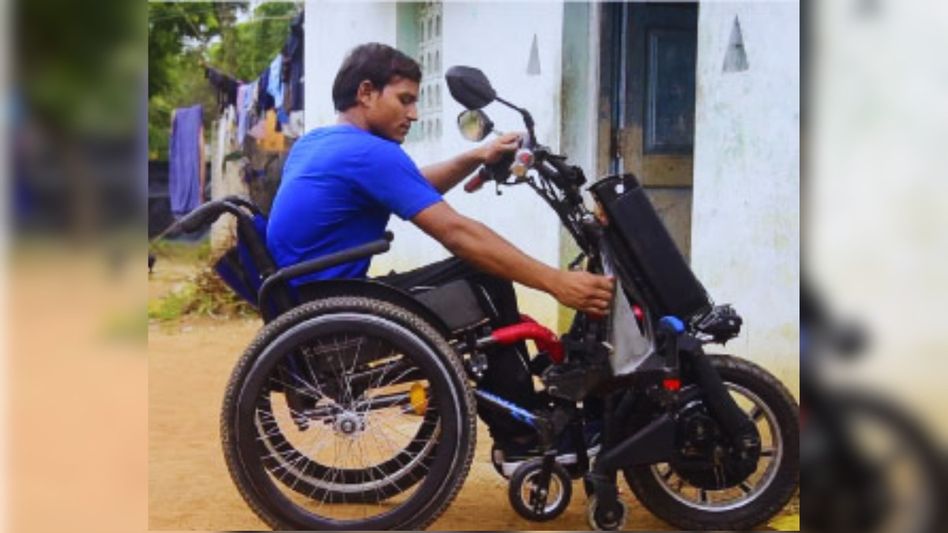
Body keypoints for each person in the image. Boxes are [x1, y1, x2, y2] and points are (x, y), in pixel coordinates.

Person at [267, 42, 613, 450]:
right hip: (338, 308)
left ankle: (527, 419)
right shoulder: (370, 154)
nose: (413, 114)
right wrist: (556, 282)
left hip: (312, 300)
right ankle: (525, 437)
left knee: (481, 278)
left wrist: (477, 156)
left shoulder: (321, 142)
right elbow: (456, 233)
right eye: (405, 100)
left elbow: (409, 185)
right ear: (366, 93)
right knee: (485, 280)